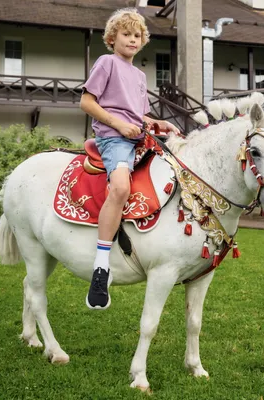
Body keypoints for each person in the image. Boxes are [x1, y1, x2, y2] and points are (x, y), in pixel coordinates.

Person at [80, 8, 180, 310]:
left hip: (137, 136)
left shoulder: (139, 75)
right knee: (121, 188)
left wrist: (157, 123)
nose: (132, 39)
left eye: (137, 35)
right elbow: (86, 101)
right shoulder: (106, 63)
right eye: (126, 34)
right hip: (113, 139)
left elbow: (138, 115)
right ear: (113, 38)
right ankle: (100, 266)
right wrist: (118, 125)